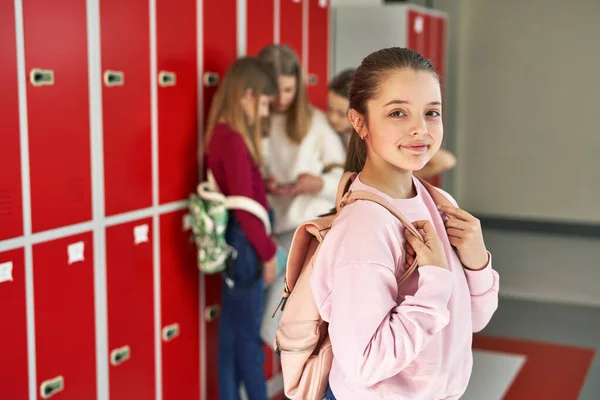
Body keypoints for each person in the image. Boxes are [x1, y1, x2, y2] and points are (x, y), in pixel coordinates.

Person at [311, 48, 500, 399]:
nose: (420, 128)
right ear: (360, 122)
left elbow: (472, 321)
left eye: (432, 112)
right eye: (398, 112)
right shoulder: (365, 227)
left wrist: (476, 260)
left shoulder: (438, 204)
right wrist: (435, 283)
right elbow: (365, 363)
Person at [203, 57, 279, 400]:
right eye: (264, 104)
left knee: (232, 336)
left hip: (240, 241)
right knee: (248, 339)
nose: (264, 113)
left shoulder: (221, 133)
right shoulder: (232, 139)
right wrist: (268, 254)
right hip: (248, 245)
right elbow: (247, 212)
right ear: (248, 95)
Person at [257, 44, 346, 250]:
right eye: (275, 91)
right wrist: (263, 185)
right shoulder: (254, 121)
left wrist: (318, 184)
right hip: (270, 227)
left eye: (289, 90)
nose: (282, 99)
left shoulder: (317, 121)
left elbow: (347, 184)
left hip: (310, 225)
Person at [327, 68, 458, 182]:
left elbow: (446, 161)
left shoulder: (379, 136)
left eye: (340, 113)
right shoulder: (327, 130)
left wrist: (399, 179)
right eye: (330, 109)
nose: (333, 118)